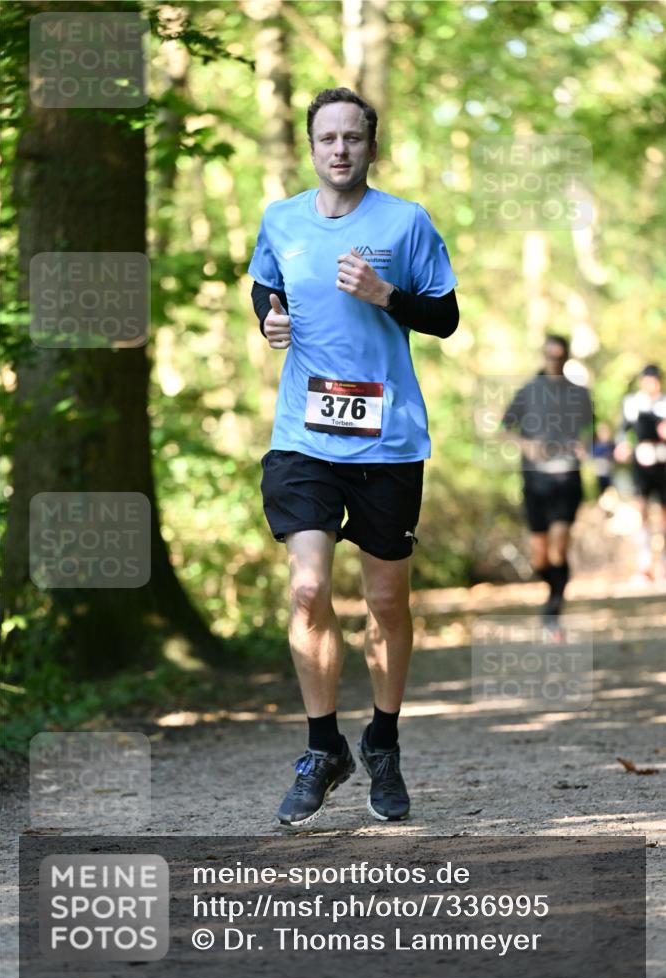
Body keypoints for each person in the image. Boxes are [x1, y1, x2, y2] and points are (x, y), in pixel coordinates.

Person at [248, 87, 458, 826]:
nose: (339, 149)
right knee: (307, 591)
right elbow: (264, 287)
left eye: (352, 138)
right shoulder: (281, 219)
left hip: (387, 440)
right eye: (326, 138)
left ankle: (384, 742)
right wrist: (269, 319)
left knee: (384, 602)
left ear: (372, 146)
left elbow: (445, 315)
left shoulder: (404, 222)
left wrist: (385, 294)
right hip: (303, 436)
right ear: (310, 147)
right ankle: (320, 747)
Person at [502, 335, 593, 634]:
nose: (554, 361)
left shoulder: (579, 394)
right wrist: (526, 445)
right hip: (535, 480)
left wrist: (585, 443)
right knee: (540, 556)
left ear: (566, 358)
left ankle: (554, 606)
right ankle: (553, 593)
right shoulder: (528, 391)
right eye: (549, 356)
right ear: (543, 356)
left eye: (560, 356)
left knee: (559, 548)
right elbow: (505, 428)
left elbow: (592, 431)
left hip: (567, 478)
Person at [614, 364, 666, 580]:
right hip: (641, 464)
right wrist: (623, 445)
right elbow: (623, 431)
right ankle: (644, 563)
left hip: (663, 462)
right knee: (641, 511)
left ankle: (663, 563)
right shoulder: (632, 403)